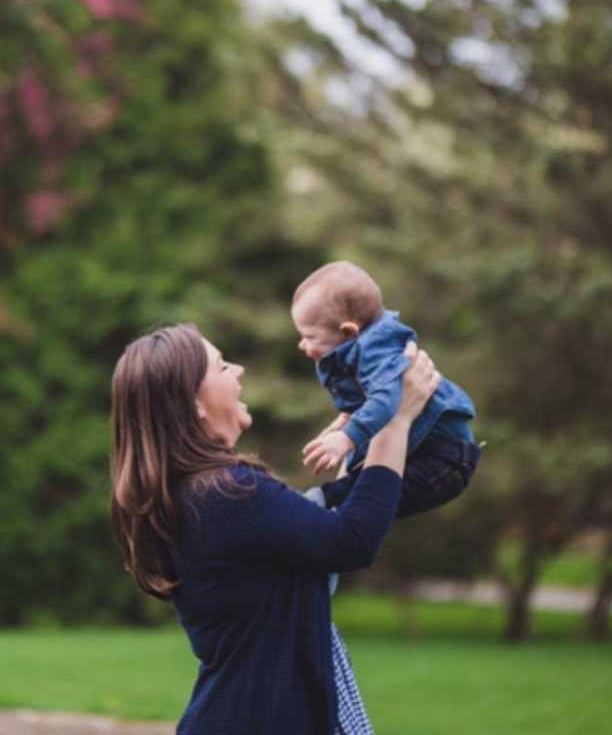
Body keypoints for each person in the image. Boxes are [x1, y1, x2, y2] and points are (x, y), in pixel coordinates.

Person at [110, 322, 439, 734]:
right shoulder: (230, 493)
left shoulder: (193, 496)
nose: (239, 370)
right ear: (193, 402)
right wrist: (394, 421)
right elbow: (350, 541)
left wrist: (360, 432)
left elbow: (318, 536)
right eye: (221, 366)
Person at [292, 261, 481, 518]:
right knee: (359, 496)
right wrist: (346, 421)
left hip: (442, 458)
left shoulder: (376, 350)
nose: (302, 345)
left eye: (309, 337)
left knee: (367, 500)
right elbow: (373, 399)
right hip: (424, 449)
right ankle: (319, 506)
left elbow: (386, 400)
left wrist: (346, 438)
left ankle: (318, 505)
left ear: (348, 331)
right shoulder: (358, 349)